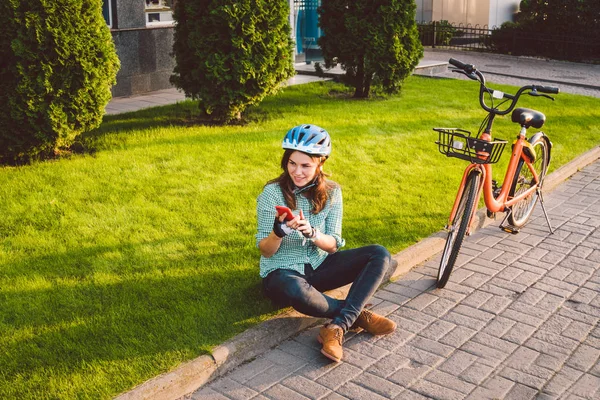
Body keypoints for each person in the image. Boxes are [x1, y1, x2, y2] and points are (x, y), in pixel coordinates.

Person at [255, 124, 396, 363]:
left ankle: (337, 326)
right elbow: (266, 251)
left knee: (380, 255)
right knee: (297, 290)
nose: (297, 172)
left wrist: (312, 232)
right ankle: (355, 314)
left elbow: (332, 246)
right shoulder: (272, 193)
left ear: (321, 163)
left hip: (320, 266)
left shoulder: (332, 192)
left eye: (305, 166)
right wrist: (278, 232)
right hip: (282, 273)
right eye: (292, 163)